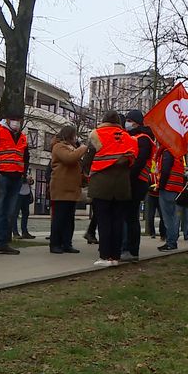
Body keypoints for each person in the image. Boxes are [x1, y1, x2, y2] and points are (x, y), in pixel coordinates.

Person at [85, 110, 137, 266]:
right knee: (118, 221)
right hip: (121, 185)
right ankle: (115, 256)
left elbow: (88, 159)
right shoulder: (129, 138)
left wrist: (89, 173)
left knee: (104, 221)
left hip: (101, 184)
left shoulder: (96, 134)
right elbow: (133, 160)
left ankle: (104, 256)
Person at [0, 116, 29, 256]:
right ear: (7, 120)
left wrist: (23, 174)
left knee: (9, 212)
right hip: (1, 175)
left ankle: (2, 243)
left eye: (19, 120)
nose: (17, 122)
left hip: (16, 177)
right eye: (14, 119)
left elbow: (25, 156)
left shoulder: (22, 137)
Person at [122, 109, 155, 262]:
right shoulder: (136, 137)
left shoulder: (143, 138)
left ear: (135, 122)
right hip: (135, 180)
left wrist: (128, 177)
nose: (126, 123)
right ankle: (128, 248)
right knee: (129, 216)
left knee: (130, 216)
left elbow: (140, 161)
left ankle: (131, 250)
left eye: (129, 120)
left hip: (136, 181)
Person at [49, 126, 88, 254]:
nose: (75, 138)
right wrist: (82, 148)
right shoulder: (59, 146)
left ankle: (67, 243)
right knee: (59, 218)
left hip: (72, 189)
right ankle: (55, 244)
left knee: (69, 219)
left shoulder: (72, 148)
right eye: (74, 135)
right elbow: (69, 159)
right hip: (61, 188)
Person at [157, 147, 185, 251]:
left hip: (167, 188)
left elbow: (165, 171)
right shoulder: (179, 154)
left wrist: (160, 186)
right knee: (175, 217)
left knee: (168, 218)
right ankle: (173, 241)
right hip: (177, 189)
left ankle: (171, 242)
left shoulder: (167, 152)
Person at [12, 175, 35, 239]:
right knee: (15, 214)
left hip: (26, 193)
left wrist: (31, 181)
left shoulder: (26, 169)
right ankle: (15, 232)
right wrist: (25, 179)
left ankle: (25, 232)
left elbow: (31, 181)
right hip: (18, 193)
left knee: (26, 213)